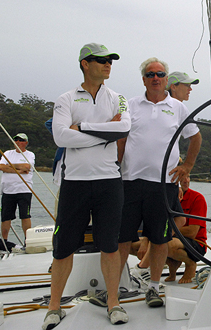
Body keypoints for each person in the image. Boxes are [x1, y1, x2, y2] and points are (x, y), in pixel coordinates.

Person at [44, 43, 131, 329]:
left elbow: (124, 128)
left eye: (110, 61)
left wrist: (81, 128)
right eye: (102, 60)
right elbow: (60, 137)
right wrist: (104, 133)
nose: (108, 64)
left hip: (109, 182)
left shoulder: (118, 99)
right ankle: (54, 307)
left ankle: (113, 303)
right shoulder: (66, 98)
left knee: (110, 245)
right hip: (75, 182)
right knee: (63, 248)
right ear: (85, 63)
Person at [114, 57, 202, 308]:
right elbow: (121, 140)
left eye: (160, 74)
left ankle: (153, 287)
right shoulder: (130, 105)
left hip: (163, 184)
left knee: (160, 239)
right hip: (129, 181)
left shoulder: (178, 107)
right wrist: (115, 168)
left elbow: (195, 138)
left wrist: (187, 167)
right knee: (121, 238)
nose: (155, 78)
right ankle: (118, 286)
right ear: (143, 79)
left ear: (166, 79)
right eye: (150, 74)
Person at [165, 175, 207, 284]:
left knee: (162, 242)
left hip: (196, 244)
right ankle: (172, 265)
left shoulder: (197, 198)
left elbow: (192, 232)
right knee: (135, 245)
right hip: (175, 238)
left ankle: (190, 263)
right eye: (182, 177)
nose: (186, 180)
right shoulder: (166, 199)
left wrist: (165, 231)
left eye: (188, 176)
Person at [0, 132, 35, 243]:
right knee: (5, 217)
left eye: (21, 140)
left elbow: (27, 167)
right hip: (8, 190)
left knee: (25, 215)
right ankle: (4, 242)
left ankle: (27, 241)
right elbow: (1, 166)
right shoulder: (8, 153)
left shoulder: (30, 154)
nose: (18, 142)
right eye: (16, 140)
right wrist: (19, 170)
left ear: (26, 143)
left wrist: (9, 166)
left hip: (24, 190)